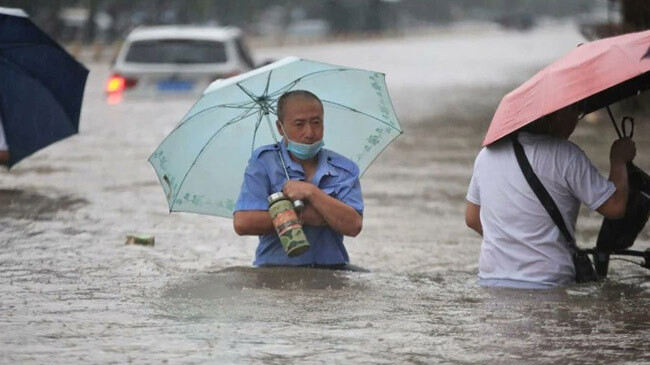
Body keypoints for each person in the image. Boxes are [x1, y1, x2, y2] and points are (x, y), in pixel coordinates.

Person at [465, 105, 636, 289]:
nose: (575, 122)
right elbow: (615, 207)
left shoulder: (486, 155)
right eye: (574, 113)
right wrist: (619, 161)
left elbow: (472, 218)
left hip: (491, 282)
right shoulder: (566, 155)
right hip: (548, 283)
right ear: (553, 116)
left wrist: (514, 242)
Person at [233, 90, 363, 269]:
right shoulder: (264, 163)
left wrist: (312, 193)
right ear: (280, 128)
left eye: (316, 123)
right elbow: (243, 222)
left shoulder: (344, 169)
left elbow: (354, 225)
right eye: (299, 124)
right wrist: (305, 216)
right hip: (275, 271)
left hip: (332, 270)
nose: (309, 133)